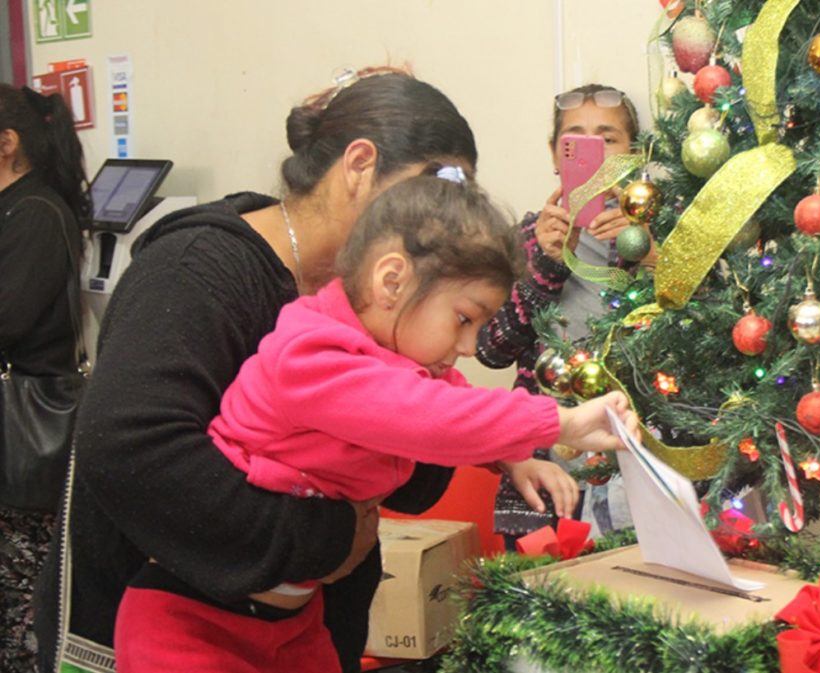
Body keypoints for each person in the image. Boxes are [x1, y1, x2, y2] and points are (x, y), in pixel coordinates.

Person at [34, 68, 488, 673]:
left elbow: (408, 480)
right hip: (161, 632)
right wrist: (321, 538)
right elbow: (129, 449)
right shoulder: (197, 270)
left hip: (300, 633)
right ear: (358, 165)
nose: (438, 226)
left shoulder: (372, 297)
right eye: (426, 195)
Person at [112, 175, 634, 672]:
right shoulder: (312, 354)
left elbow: (447, 403)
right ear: (392, 281)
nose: (470, 346)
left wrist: (509, 456)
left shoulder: (393, 362)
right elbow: (426, 416)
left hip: (291, 620)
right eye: (463, 318)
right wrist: (558, 423)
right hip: (195, 620)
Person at [477, 84, 655, 549]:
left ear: (633, 155)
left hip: (643, 464)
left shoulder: (662, 237)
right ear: (557, 156)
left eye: (608, 139)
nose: (593, 153)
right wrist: (546, 265)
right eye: (575, 139)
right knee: (545, 605)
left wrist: (654, 258)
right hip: (546, 471)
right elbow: (489, 349)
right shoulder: (526, 238)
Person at [0, 83, 88, 672]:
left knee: (23, 604)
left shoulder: (34, 212)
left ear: (7, 143)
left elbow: (7, 319)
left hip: (25, 431)